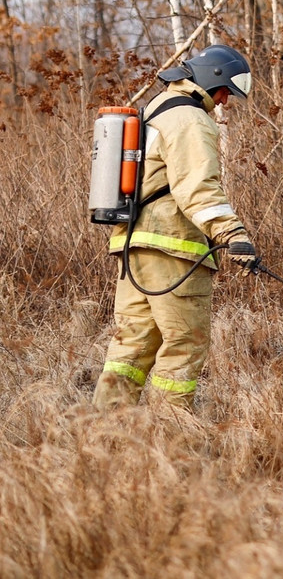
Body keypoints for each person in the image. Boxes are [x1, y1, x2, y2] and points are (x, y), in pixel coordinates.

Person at [92, 44, 258, 410]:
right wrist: (233, 234)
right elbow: (197, 187)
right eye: (224, 92)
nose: (224, 101)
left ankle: (105, 431)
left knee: (130, 348)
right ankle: (171, 431)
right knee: (185, 344)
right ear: (211, 79)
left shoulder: (157, 108)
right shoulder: (190, 120)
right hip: (173, 249)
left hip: (134, 246)